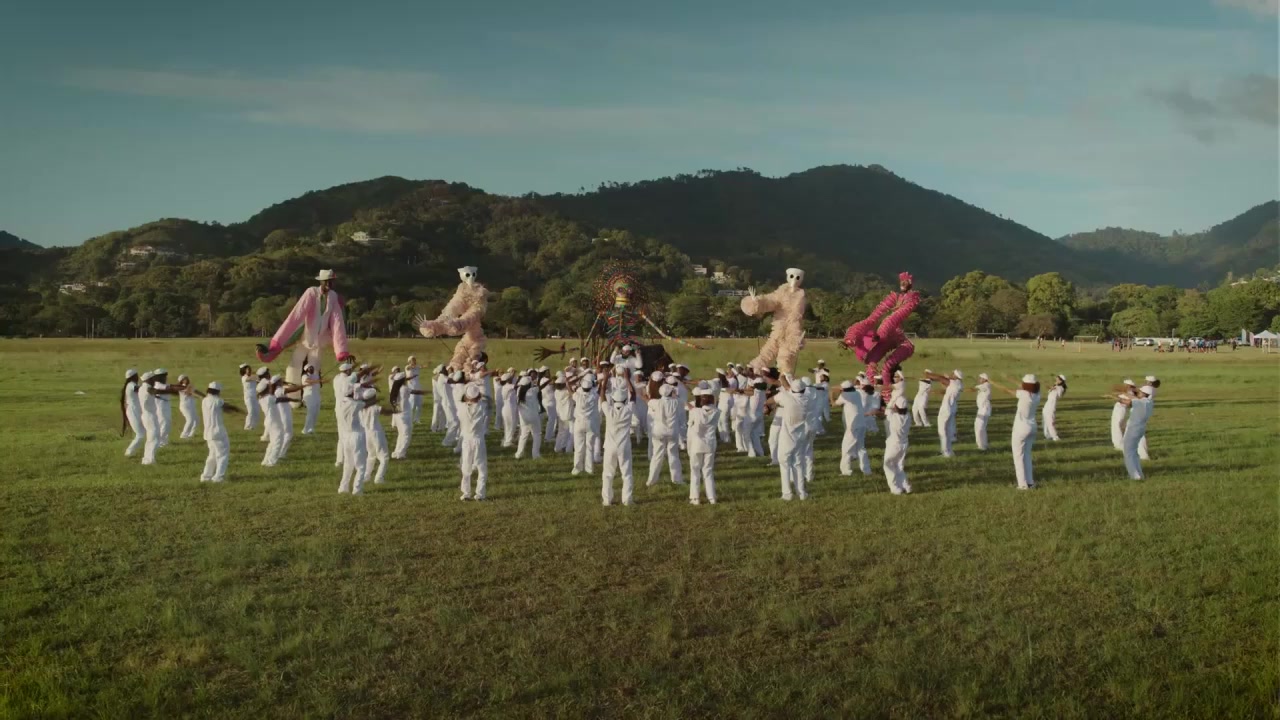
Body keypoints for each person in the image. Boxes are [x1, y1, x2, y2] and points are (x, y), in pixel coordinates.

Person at [255, 269, 352, 385]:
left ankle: (312, 395)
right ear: (320, 281)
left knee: (314, 368)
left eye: (330, 281)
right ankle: (293, 392)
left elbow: (337, 322)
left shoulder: (333, 297)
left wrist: (341, 350)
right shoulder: (311, 293)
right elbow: (297, 315)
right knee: (295, 365)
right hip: (305, 338)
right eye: (326, 281)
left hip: (319, 341)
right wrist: (279, 340)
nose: (328, 284)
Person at [740, 268, 808, 374]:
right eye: (792, 276)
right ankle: (753, 370)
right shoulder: (781, 293)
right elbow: (770, 301)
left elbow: (799, 318)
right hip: (779, 329)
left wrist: (797, 339)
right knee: (768, 351)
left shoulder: (801, 297)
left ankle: (784, 378)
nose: (794, 279)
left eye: (797, 277)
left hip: (791, 333)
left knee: (784, 358)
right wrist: (757, 302)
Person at [992, 375, 1040, 490]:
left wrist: (993, 382)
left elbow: (1007, 390)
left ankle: (1022, 485)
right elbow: (1024, 387)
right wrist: (1010, 379)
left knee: (1018, 456)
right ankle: (1030, 482)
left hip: (1021, 428)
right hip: (1032, 427)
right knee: (1027, 455)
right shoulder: (1037, 394)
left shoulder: (1023, 394)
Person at [768, 375, 810, 501]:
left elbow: (770, 400)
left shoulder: (786, 397)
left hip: (787, 437)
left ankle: (787, 494)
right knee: (798, 464)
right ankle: (802, 493)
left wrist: (782, 377)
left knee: (785, 464)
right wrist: (783, 378)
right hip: (800, 436)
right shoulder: (806, 398)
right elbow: (789, 389)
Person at [601, 385, 636, 506]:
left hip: (610, 447)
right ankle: (627, 500)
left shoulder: (609, 410)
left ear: (612, 400)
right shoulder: (628, 409)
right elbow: (633, 395)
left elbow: (602, 396)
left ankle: (607, 500)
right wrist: (627, 378)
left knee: (607, 474)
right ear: (625, 400)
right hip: (624, 447)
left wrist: (605, 380)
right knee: (627, 474)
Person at [877, 376, 913, 494]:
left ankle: (895, 488)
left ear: (896, 407)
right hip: (904, 444)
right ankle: (906, 485)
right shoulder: (908, 416)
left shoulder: (893, 416)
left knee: (887, 465)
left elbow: (886, 410)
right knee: (899, 466)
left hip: (894, 444)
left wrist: (891, 402)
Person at [647, 380, 685, 486]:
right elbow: (682, 402)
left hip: (658, 432)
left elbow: (648, 401)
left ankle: (651, 480)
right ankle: (677, 479)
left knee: (656, 455)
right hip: (672, 432)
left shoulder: (655, 402)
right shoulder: (677, 402)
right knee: (673, 455)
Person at [687, 387, 720, 505]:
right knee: (708, 471)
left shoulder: (695, 411)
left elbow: (691, 418)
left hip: (697, 444)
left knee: (695, 470)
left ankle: (695, 498)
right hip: (710, 444)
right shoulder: (717, 412)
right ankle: (712, 497)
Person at [458, 382, 490, 500]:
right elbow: (486, 400)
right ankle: (480, 494)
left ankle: (466, 493)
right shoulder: (482, 406)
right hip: (478, 440)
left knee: (466, 467)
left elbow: (462, 398)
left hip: (466, 440)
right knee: (482, 468)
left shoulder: (461, 407)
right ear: (478, 396)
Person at [1115, 385, 1154, 480]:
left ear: (1144, 393)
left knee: (1128, 452)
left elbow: (1128, 402)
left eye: (1140, 392)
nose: (1138, 393)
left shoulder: (1139, 402)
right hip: (1140, 429)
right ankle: (1139, 474)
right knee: (1134, 452)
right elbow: (1134, 399)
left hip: (1133, 429)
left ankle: (1135, 476)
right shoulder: (1149, 402)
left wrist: (1118, 398)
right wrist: (1125, 394)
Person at [834, 379, 869, 476]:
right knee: (861, 448)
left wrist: (831, 395)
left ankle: (846, 471)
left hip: (853, 426)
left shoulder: (845, 395)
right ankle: (866, 470)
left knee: (846, 448)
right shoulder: (857, 393)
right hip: (861, 423)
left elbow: (834, 404)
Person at [929, 369, 963, 458]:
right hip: (952, 409)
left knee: (942, 431)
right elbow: (945, 385)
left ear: (955, 376)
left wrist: (929, 375)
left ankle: (945, 452)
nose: (951, 373)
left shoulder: (953, 383)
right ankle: (949, 451)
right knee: (948, 431)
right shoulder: (959, 384)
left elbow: (940, 378)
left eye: (953, 373)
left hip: (946, 409)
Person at [200, 381, 230, 483]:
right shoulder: (218, 401)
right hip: (218, 432)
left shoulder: (204, 400)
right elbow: (226, 406)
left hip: (208, 432)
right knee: (222, 455)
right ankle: (218, 477)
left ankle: (206, 476)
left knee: (212, 455)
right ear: (218, 391)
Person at [572, 374, 601, 475]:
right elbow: (600, 389)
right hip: (590, 423)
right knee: (589, 447)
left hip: (579, 423)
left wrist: (568, 383)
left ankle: (577, 468)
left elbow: (571, 391)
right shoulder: (594, 396)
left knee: (578, 447)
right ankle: (589, 469)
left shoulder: (577, 396)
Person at [332, 360, 355, 466]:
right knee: (349, 433)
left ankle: (339, 459)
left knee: (341, 435)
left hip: (338, 408)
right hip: (347, 407)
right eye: (350, 370)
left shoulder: (336, 378)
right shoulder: (348, 379)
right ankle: (348, 458)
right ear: (347, 371)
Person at [515, 376, 543, 460]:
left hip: (523, 418)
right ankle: (536, 455)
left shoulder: (519, 391)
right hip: (533, 417)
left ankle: (519, 454)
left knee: (523, 435)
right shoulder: (532, 391)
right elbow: (539, 387)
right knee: (537, 434)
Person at [258, 377, 282, 468]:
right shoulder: (269, 398)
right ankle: (271, 462)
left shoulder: (262, 398)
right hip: (273, 421)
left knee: (272, 442)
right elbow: (277, 397)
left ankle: (265, 460)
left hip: (269, 421)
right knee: (277, 441)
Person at [121, 369, 146, 457]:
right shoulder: (131, 385)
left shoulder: (132, 384)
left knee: (142, 432)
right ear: (133, 377)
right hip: (133, 411)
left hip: (136, 410)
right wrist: (147, 386)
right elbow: (138, 389)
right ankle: (129, 452)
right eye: (136, 375)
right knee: (140, 434)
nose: (138, 377)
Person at [1138, 375, 1160, 460]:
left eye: (1147, 381)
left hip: (1142, 410)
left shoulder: (1148, 389)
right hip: (1145, 410)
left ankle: (1143, 455)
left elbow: (1139, 395)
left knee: (1140, 433)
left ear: (1150, 382)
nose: (1145, 382)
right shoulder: (1151, 389)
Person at [1111, 379, 1136, 450]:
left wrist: (1117, 398)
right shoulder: (1126, 392)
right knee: (1119, 425)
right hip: (1119, 408)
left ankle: (1119, 444)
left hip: (1121, 408)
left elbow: (1128, 402)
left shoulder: (1129, 393)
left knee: (1117, 425)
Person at [152, 369, 174, 448]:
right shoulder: (158, 384)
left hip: (166, 404)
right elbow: (170, 388)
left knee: (167, 423)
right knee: (164, 423)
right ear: (159, 377)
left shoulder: (163, 384)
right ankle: (159, 442)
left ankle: (164, 441)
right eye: (163, 376)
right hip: (160, 406)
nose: (165, 378)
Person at [1042, 374, 1066, 441]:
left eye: (1058, 379)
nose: (1056, 379)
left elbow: (1050, 388)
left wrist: (1044, 383)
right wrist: (1054, 385)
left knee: (1050, 421)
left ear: (1061, 381)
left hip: (1051, 406)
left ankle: (1055, 437)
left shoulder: (1060, 388)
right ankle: (1047, 436)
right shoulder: (1056, 386)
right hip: (1047, 405)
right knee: (1045, 421)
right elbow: (1051, 389)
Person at [300, 363, 323, 434]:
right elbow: (309, 381)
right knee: (311, 412)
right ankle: (305, 429)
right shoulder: (304, 376)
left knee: (316, 412)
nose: (312, 369)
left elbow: (320, 385)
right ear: (306, 369)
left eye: (312, 367)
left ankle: (311, 428)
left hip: (316, 396)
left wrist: (319, 376)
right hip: (309, 397)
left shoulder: (315, 376)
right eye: (310, 368)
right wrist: (317, 380)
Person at [176, 375, 201, 439]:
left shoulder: (190, 386)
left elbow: (196, 391)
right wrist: (200, 397)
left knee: (197, 420)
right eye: (185, 379)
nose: (187, 379)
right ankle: (183, 435)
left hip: (191, 405)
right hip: (185, 406)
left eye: (187, 378)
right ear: (181, 381)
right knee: (190, 420)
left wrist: (205, 396)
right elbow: (190, 393)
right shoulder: (181, 387)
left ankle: (191, 434)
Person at [973, 373, 992, 451]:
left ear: (984, 379)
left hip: (983, 409)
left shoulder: (985, 385)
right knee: (982, 427)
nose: (979, 379)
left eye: (980, 378)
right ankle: (984, 444)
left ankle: (981, 446)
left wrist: (960, 389)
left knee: (979, 427)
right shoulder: (986, 385)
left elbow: (973, 389)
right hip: (984, 408)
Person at [239, 364, 260, 431]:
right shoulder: (244, 378)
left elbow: (258, 382)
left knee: (256, 411)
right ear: (244, 371)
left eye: (250, 369)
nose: (250, 370)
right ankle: (247, 426)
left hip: (255, 396)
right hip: (248, 397)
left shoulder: (253, 377)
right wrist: (258, 375)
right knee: (250, 411)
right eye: (248, 369)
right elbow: (250, 378)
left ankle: (253, 426)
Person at [405, 356, 424, 426]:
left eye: (415, 360)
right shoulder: (407, 367)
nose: (414, 361)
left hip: (418, 387)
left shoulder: (417, 366)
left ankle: (417, 419)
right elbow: (408, 368)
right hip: (411, 388)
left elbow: (423, 366)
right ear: (409, 361)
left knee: (419, 404)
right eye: (413, 360)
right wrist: (413, 365)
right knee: (412, 404)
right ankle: (409, 419)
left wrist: (428, 363)